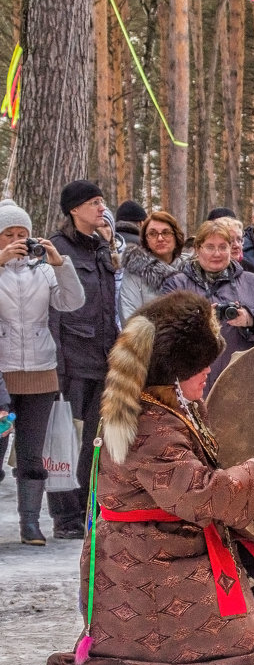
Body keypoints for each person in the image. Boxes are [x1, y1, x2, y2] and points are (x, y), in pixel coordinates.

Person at [47, 291, 254, 665]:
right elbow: (199, 494)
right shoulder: (149, 427)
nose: (208, 372)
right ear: (173, 373)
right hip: (151, 557)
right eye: (199, 367)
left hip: (168, 539)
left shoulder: (170, 407)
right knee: (245, 647)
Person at [0, 199, 85, 545]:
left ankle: (30, 524)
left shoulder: (44, 270)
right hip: (2, 374)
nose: (18, 241)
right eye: (10, 234)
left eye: (24, 234)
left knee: (33, 452)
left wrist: (60, 263)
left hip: (40, 371)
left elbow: (72, 302)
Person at [48, 180, 119, 540]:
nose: (101, 208)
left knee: (95, 442)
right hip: (72, 362)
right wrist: (57, 365)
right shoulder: (58, 250)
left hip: (103, 360)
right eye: (94, 202)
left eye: (102, 201)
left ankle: (91, 511)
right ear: (75, 209)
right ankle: (65, 517)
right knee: (64, 441)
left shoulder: (103, 249)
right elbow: (53, 313)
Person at [162, 219, 254, 389]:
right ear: (197, 249)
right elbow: (163, 332)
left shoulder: (252, 282)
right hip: (192, 381)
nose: (217, 253)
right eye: (210, 247)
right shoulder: (177, 285)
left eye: (223, 247)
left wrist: (250, 320)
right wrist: (199, 322)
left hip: (244, 379)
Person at [119, 210, 185, 323]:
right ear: (146, 239)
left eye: (166, 232)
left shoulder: (190, 267)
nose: (160, 238)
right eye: (153, 234)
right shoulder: (135, 271)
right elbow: (129, 316)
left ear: (176, 236)